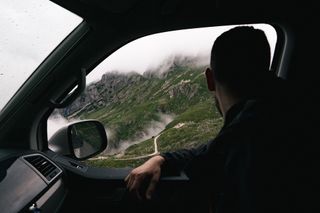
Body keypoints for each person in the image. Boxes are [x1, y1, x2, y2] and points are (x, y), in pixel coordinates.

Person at [125, 26, 294, 213]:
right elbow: (209, 150)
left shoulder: (248, 141)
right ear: (266, 73)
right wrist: (161, 158)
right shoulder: (276, 115)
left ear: (209, 79)